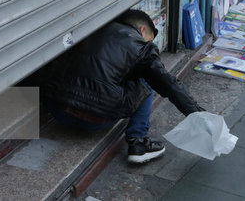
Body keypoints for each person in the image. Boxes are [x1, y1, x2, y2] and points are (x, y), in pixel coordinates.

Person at [42, 9, 204, 163]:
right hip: (95, 120)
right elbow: (169, 85)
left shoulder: (91, 27)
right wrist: (198, 114)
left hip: (56, 109)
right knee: (147, 79)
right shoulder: (141, 47)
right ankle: (138, 142)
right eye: (149, 37)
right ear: (142, 30)